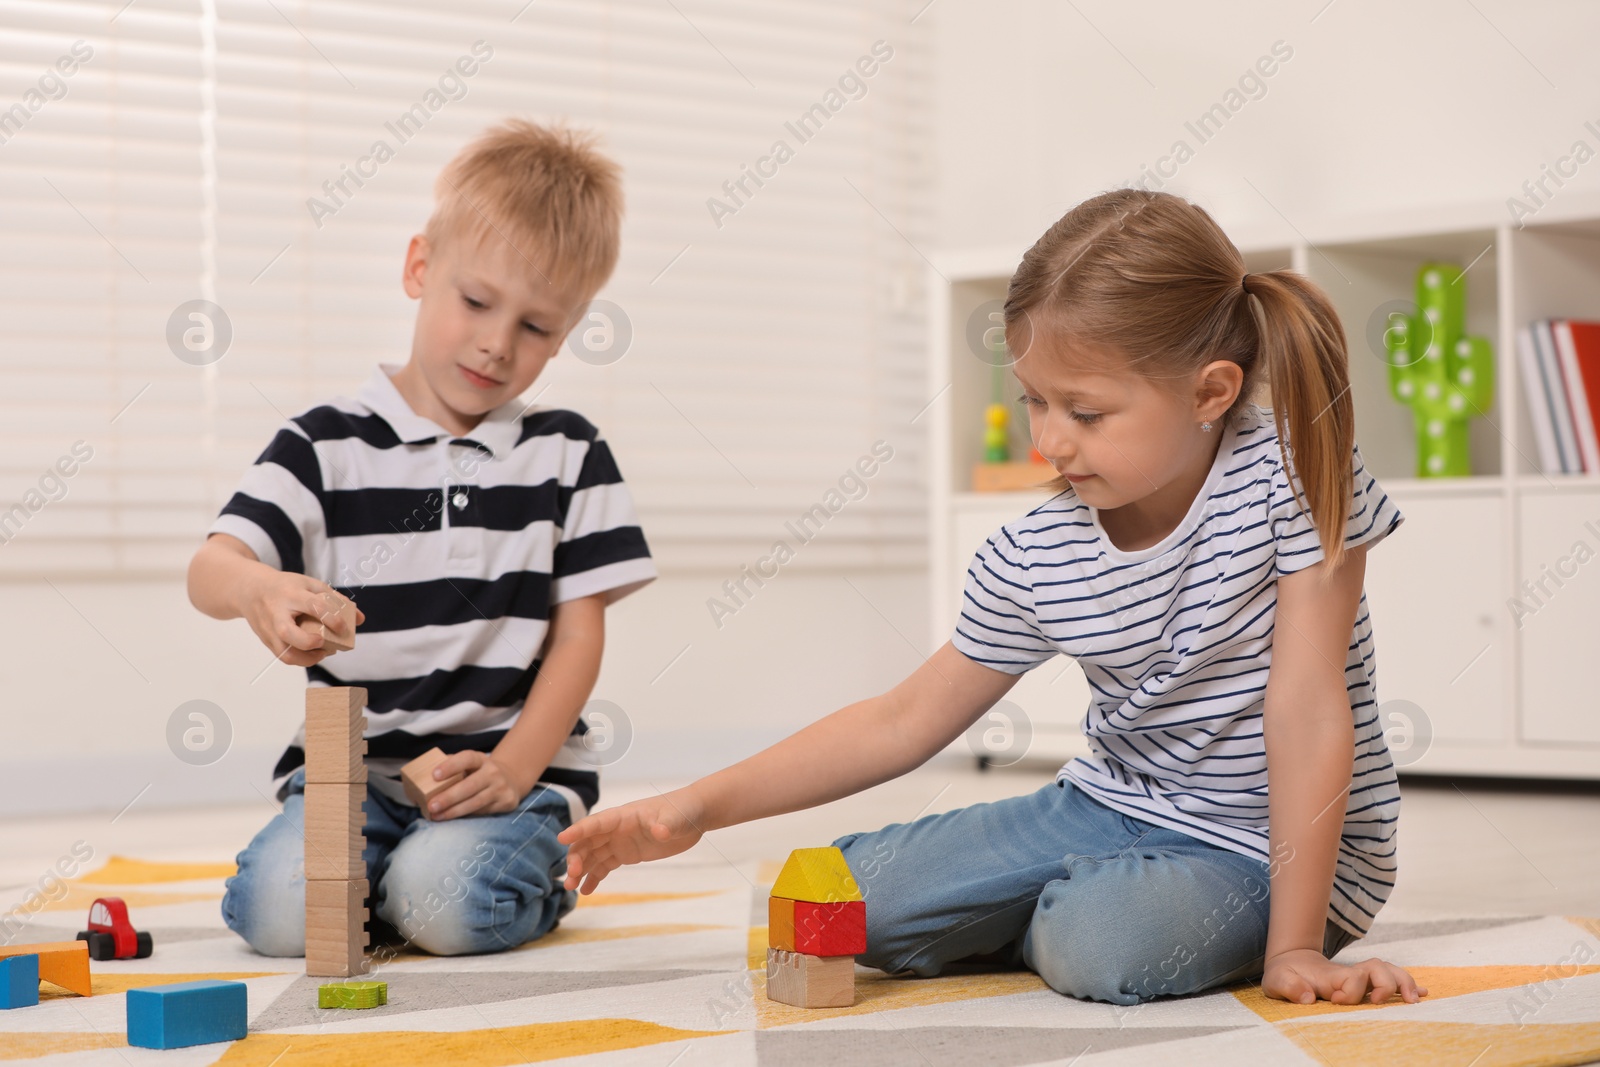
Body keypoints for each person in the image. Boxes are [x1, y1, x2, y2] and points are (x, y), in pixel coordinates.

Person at [558, 188, 1429, 1007]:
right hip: (1105, 805)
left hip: (1269, 848)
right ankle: (1067, 900)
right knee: (851, 902)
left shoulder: (1297, 478)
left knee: (1100, 947)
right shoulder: (1035, 550)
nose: (1050, 439)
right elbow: (903, 720)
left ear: (1211, 391)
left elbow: (1310, 708)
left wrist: (1296, 948)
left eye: (1086, 412)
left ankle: (1082, 912)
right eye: (1035, 400)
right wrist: (696, 808)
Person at [189, 119, 655, 958]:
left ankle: (502, 867)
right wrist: (262, 591)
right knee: (279, 913)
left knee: (449, 905)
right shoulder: (323, 446)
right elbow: (211, 567)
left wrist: (516, 768)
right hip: (354, 778)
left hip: (509, 776)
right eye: (476, 301)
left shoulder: (568, 453)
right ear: (419, 267)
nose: (496, 343)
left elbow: (579, 637)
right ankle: (393, 867)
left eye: (537, 327)